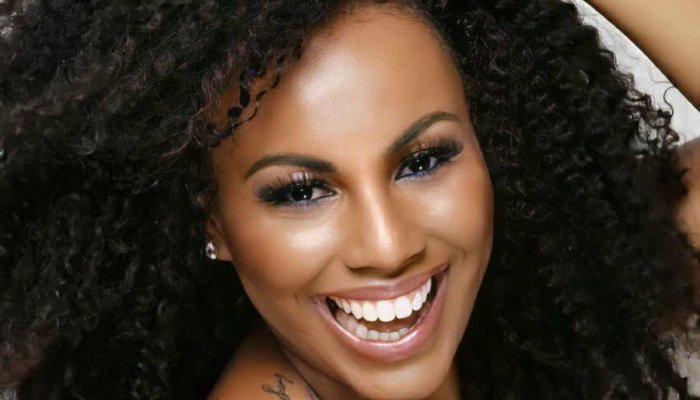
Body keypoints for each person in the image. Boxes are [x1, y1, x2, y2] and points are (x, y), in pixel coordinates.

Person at [0, 0, 698, 399]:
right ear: (212, 220)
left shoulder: (532, 310)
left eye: (424, 161)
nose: (388, 246)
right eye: (301, 191)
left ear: (497, 147)